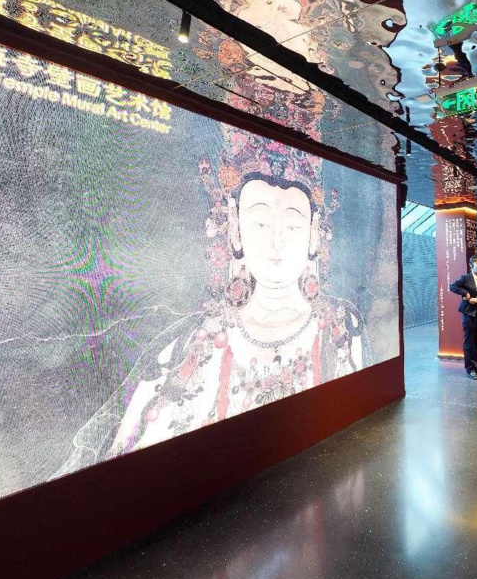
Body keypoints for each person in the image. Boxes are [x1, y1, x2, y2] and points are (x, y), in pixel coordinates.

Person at [57, 127, 366, 472]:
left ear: (313, 234)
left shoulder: (340, 326)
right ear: (235, 227)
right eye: (260, 223)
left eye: (293, 226)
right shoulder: (195, 345)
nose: (277, 242)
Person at [450, 255, 477, 380]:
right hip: (468, 313)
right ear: (471, 265)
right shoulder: (465, 278)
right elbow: (452, 286)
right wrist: (465, 293)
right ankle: (470, 368)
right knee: (469, 342)